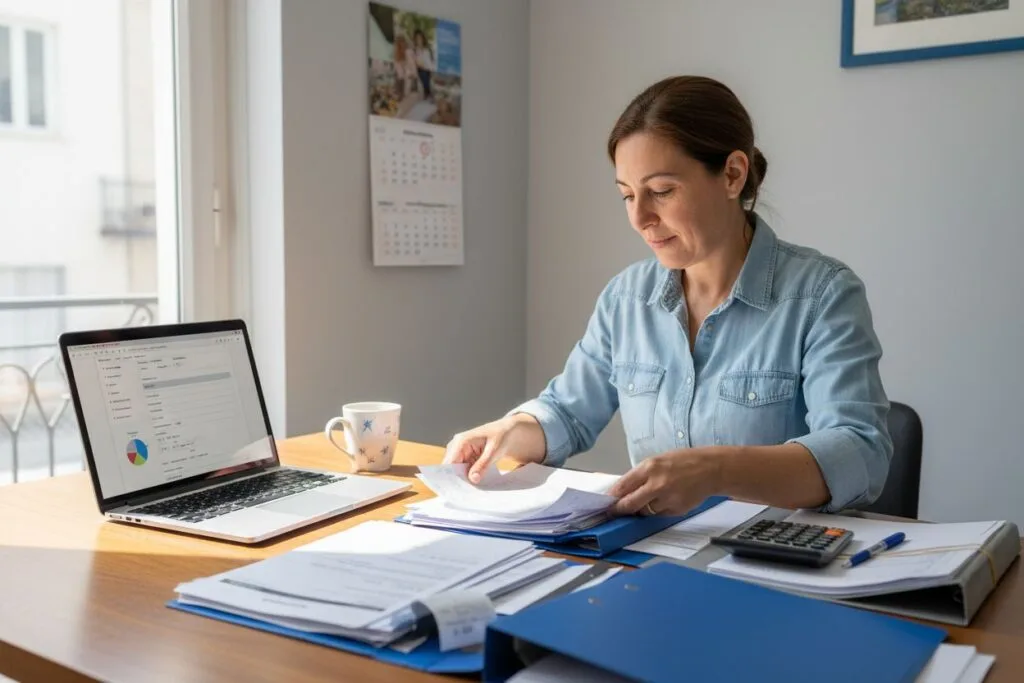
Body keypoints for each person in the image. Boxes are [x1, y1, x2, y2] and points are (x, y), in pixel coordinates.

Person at [443, 75, 892, 518]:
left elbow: (860, 451)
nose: (640, 218)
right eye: (627, 196)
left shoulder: (822, 295)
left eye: (661, 191)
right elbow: (566, 413)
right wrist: (510, 432)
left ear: (733, 175)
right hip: (655, 545)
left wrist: (714, 470)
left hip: (773, 551)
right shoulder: (626, 299)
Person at [413, 29, 434, 98]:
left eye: (420, 38)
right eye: (417, 38)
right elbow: (415, 62)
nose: (419, 40)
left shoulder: (427, 49)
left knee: (426, 74)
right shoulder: (415, 50)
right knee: (423, 73)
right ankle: (427, 91)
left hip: (428, 69)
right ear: (415, 39)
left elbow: (431, 61)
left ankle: (427, 91)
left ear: (423, 38)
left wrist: (430, 69)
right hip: (420, 69)